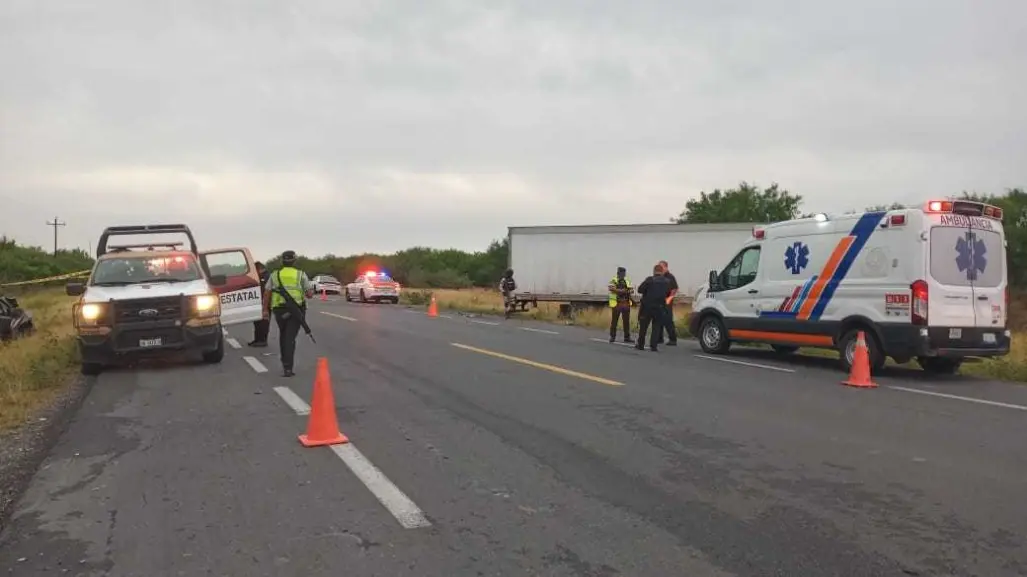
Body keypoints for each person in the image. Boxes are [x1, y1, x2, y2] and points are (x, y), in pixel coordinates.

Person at [264, 250, 315, 377]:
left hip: (279, 310)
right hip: (296, 310)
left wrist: (265, 310)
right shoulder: (300, 274)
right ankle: (288, 367)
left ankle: (285, 363)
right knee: (290, 338)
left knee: (283, 335)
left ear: (282, 261)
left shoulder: (274, 275)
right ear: (294, 261)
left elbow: (267, 293)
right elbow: (309, 295)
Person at [635, 264, 672, 351]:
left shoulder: (649, 280)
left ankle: (640, 345)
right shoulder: (667, 281)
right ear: (662, 271)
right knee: (656, 327)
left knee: (643, 326)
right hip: (660, 307)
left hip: (647, 307)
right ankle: (653, 346)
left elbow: (640, 289)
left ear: (654, 271)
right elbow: (668, 294)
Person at [248, 261, 272, 347]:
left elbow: (267, 291)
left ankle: (262, 340)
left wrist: (265, 305)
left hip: (265, 303)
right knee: (257, 322)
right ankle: (257, 339)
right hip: (258, 303)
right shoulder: (259, 276)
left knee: (264, 322)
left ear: (259, 269)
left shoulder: (267, 276)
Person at [607, 266, 633, 343]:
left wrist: (625, 291)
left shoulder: (627, 280)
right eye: (621, 273)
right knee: (614, 321)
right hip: (616, 303)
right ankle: (612, 336)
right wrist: (623, 291)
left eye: (624, 273)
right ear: (618, 273)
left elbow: (631, 290)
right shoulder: (614, 280)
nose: (623, 274)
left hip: (626, 302)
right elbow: (612, 289)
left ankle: (627, 337)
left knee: (626, 321)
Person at [656, 260, 679, 346]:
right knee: (659, 319)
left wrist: (669, 299)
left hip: (667, 301)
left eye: (661, 266)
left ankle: (673, 339)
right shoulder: (658, 277)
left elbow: (674, 289)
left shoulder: (670, 277)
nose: (660, 268)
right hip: (659, 300)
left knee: (668, 320)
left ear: (666, 267)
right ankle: (659, 338)